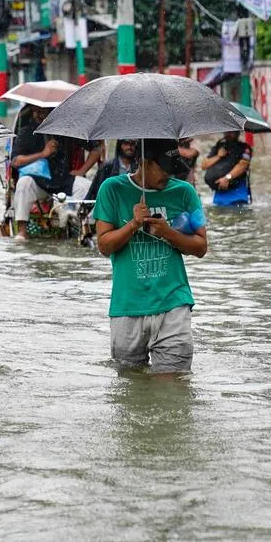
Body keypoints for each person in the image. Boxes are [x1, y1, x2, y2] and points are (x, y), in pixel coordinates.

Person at [93, 138, 208, 376]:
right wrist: (133, 224)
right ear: (145, 162)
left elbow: (200, 247)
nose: (169, 175)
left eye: (172, 168)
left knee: (173, 390)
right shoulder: (111, 189)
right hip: (127, 306)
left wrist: (168, 233)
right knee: (131, 390)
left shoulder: (184, 192)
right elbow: (104, 246)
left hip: (173, 303)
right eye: (163, 167)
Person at [10, 105, 95, 239]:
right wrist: (43, 153)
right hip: (38, 182)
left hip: (64, 180)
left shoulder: (65, 131)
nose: (39, 115)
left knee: (87, 186)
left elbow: (97, 149)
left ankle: (83, 226)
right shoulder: (27, 132)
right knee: (23, 183)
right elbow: (15, 161)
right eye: (36, 111)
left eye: (44, 112)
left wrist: (82, 170)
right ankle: (22, 231)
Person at [202, 131, 252, 206]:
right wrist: (218, 156)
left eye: (231, 132)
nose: (228, 134)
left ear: (238, 133)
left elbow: (242, 166)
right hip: (220, 193)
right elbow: (204, 165)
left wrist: (227, 178)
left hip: (237, 192)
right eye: (226, 132)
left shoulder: (244, 148)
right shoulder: (219, 147)